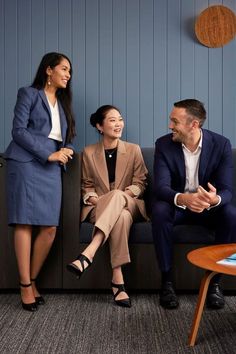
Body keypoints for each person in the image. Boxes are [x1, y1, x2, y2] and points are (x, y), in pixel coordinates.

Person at [4, 52, 76, 311]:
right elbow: (18, 131)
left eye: (70, 71)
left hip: (52, 165)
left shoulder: (64, 102)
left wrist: (65, 149)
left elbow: (62, 135)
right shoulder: (29, 93)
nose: (68, 74)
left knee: (49, 228)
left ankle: (31, 279)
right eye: (64, 69)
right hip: (25, 163)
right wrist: (48, 153)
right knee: (24, 223)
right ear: (49, 70)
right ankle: (25, 285)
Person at [152, 99, 236, 309]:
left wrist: (213, 199)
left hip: (207, 209)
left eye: (174, 121)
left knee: (230, 214)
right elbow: (161, 188)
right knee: (160, 210)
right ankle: (167, 282)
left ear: (194, 124)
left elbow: (227, 190)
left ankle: (216, 282)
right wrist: (183, 199)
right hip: (179, 207)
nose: (170, 126)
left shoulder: (221, 144)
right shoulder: (163, 144)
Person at [67, 105, 148, 307]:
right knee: (120, 217)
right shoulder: (88, 152)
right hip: (100, 208)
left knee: (118, 199)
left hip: (131, 204)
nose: (118, 124)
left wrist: (119, 196)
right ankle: (117, 279)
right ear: (99, 126)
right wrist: (102, 200)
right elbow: (86, 186)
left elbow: (141, 183)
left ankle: (89, 252)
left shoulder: (133, 150)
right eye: (112, 120)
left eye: (120, 119)